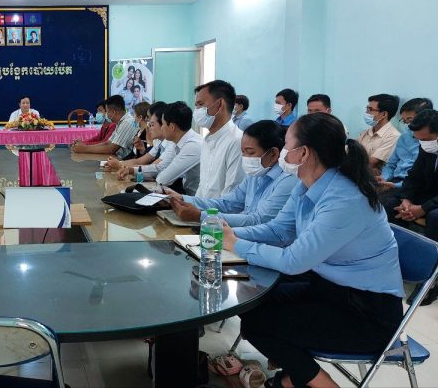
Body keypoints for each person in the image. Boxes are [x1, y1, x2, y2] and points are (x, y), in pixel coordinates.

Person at [222, 113, 404, 388]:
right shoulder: (308, 185)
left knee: (259, 323)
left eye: (286, 145)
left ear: (304, 152)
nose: (283, 152)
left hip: (366, 314)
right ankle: (295, 376)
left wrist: (235, 244)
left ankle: (317, 383)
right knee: (250, 301)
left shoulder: (345, 199)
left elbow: (293, 261)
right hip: (328, 290)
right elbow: (279, 230)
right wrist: (228, 235)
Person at [166, 120, 297, 226]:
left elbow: (259, 220)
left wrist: (201, 216)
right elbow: (227, 203)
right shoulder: (255, 175)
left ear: (273, 154)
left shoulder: (287, 180)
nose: (245, 158)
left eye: (250, 152)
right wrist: (182, 199)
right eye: (243, 152)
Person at [381, 108, 438, 306]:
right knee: (389, 203)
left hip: (434, 202)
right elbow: (413, 177)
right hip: (427, 195)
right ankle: (392, 263)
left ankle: (430, 280)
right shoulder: (427, 147)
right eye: (419, 139)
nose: (422, 143)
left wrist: (422, 208)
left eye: (426, 139)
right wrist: (406, 200)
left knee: (435, 217)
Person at [124, 102, 203, 193]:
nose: (162, 128)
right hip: (185, 195)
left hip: (194, 198)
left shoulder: (192, 146)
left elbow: (163, 179)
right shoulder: (176, 142)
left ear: (172, 127)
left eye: (163, 124)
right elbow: (160, 168)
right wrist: (131, 170)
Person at [193, 80, 245, 198]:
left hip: (219, 209)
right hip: (202, 207)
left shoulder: (237, 141)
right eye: (196, 105)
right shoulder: (207, 139)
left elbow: (230, 196)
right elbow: (203, 186)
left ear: (220, 104)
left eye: (200, 104)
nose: (196, 110)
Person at [379, 98, 433, 189]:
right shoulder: (403, 138)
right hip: (395, 180)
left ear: (424, 118)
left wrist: (396, 186)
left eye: (410, 120)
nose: (407, 125)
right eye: (404, 121)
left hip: (414, 186)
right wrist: (383, 179)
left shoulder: (431, 144)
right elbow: (391, 165)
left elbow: (423, 178)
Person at [111, 102, 170, 175]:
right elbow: (140, 161)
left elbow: (154, 168)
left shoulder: (170, 144)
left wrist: (121, 165)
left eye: (151, 124)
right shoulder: (159, 142)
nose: (148, 125)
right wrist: (120, 164)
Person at [70, 95, 135, 158]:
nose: (106, 115)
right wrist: (84, 146)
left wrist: (84, 149)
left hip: (125, 160)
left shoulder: (127, 123)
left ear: (113, 112)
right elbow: (107, 143)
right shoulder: (120, 122)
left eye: (107, 112)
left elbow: (111, 149)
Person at [357, 93, 401, 171]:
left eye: (370, 110)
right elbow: (351, 153)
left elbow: (371, 163)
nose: (366, 113)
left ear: (384, 114)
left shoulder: (393, 136)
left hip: (372, 177)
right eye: (367, 109)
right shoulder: (365, 133)